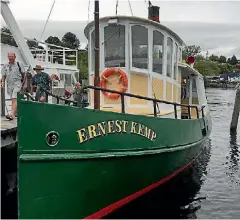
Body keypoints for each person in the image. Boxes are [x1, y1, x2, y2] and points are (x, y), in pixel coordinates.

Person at [1, 52, 26, 120]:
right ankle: (16, 113)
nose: (10, 57)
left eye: (12, 56)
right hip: (9, 85)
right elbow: (3, 75)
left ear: (15, 57)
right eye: (9, 56)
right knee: (13, 98)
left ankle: (11, 114)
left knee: (14, 97)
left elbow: (24, 75)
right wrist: (3, 83)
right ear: (8, 57)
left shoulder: (19, 64)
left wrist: (24, 84)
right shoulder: (5, 65)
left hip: (17, 83)